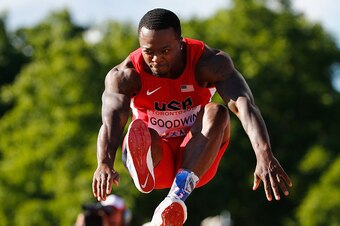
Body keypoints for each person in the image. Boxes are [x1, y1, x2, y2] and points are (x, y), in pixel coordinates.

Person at [92, 8, 293, 225]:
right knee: (142, 130)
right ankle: (143, 170)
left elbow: (245, 106)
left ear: (180, 42)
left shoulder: (209, 63)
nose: (156, 59)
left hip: (196, 156)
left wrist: (264, 154)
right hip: (156, 154)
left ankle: (175, 199)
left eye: (165, 50)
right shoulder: (125, 75)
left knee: (217, 112)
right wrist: (104, 163)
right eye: (148, 52)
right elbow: (111, 122)